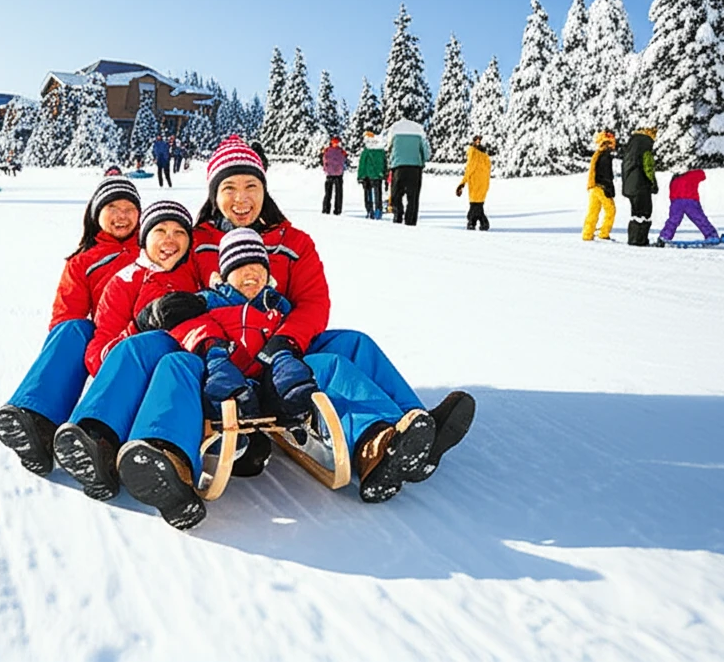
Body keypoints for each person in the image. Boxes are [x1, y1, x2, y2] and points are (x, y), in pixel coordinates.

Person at [84, 136, 475, 527]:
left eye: (251, 186)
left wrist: (285, 343)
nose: (241, 198)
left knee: (352, 344)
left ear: (264, 190)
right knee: (177, 363)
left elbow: (313, 303)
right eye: (229, 188)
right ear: (213, 194)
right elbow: (183, 301)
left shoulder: (293, 242)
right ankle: (166, 455)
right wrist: (208, 343)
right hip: (219, 355)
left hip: (283, 349)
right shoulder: (196, 241)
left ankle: (406, 431)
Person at [0, 178, 142, 475]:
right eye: (113, 207)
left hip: (142, 336)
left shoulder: (153, 246)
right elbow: (65, 314)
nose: (122, 215)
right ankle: (37, 419)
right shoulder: (83, 261)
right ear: (96, 214)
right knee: (72, 328)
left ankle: (95, 434)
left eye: (129, 208)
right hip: (106, 334)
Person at [51, 201, 198, 500]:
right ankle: (94, 440)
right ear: (144, 238)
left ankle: (167, 466)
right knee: (141, 345)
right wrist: (138, 329)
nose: (170, 240)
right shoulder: (125, 282)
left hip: (186, 371)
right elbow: (97, 351)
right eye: (160, 230)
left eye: (179, 232)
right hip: (134, 374)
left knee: (174, 362)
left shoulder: (196, 279)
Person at [655, 167, 723, 246]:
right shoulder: (693, 174)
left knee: (673, 220)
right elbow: (702, 175)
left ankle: (664, 236)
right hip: (690, 201)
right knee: (700, 219)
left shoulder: (675, 178)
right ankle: (712, 235)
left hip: (677, 201)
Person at [386, 119, 430, 225]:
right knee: (413, 197)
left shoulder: (394, 131)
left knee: (396, 194)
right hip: (415, 168)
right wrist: (422, 160)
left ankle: (398, 215)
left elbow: (388, 149)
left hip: (398, 167)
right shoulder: (419, 132)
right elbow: (426, 153)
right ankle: (410, 220)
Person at [622, 127, 659, 246]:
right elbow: (648, 167)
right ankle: (640, 240)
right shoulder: (645, 146)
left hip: (630, 186)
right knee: (645, 212)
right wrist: (653, 183)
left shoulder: (631, 147)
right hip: (641, 185)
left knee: (635, 213)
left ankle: (633, 239)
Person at [582, 130, 617, 241]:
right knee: (611, 210)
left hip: (593, 187)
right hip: (601, 187)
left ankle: (587, 234)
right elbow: (605, 174)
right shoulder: (605, 156)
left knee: (593, 211)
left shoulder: (597, 154)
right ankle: (603, 233)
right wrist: (608, 188)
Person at [456, 135, 491, 231]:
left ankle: (474, 221)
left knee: (474, 205)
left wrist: (462, 183)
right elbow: (487, 171)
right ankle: (476, 222)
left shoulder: (473, 154)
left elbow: (469, 170)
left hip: (475, 184)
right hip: (484, 184)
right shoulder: (486, 157)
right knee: (478, 205)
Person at [357, 131, 387, 219]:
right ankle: (378, 210)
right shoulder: (381, 151)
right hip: (378, 176)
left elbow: (362, 164)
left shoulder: (366, 151)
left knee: (368, 194)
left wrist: (360, 176)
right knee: (378, 194)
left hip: (367, 175)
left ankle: (370, 211)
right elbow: (385, 163)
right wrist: (384, 173)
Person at [321, 136, 347, 215]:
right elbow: (323, 161)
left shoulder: (341, 151)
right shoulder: (327, 150)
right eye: (335, 142)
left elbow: (345, 160)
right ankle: (326, 209)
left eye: (337, 142)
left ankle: (337, 210)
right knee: (328, 193)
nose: (336, 144)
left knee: (338, 194)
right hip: (330, 174)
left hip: (338, 174)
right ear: (332, 142)